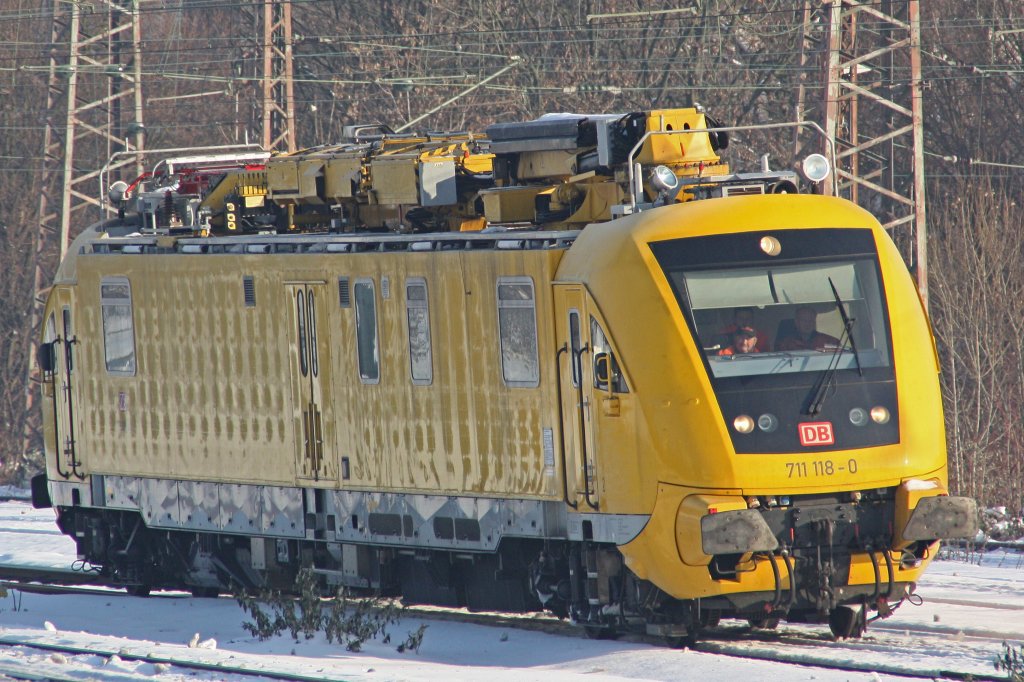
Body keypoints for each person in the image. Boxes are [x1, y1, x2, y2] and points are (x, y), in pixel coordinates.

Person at [775, 306, 840, 351]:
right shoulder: (786, 344)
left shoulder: (829, 341)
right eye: (804, 320)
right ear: (796, 322)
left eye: (811, 320)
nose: (808, 324)